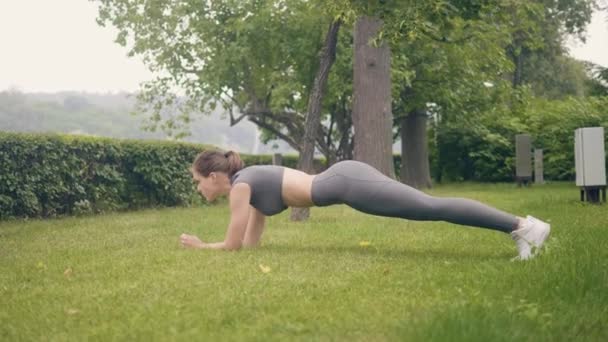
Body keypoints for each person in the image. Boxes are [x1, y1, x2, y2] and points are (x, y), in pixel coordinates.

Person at [180, 149, 550, 260]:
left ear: (214, 177)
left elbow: (230, 245)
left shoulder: (242, 187)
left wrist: (201, 246)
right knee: (428, 207)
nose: (199, 189)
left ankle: (522, 226)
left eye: (198, 181)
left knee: (429, 207)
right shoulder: (250, 186)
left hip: (346, 182)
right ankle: (521, 228)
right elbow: (248, 245)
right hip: (345, 182)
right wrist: (232, 246)